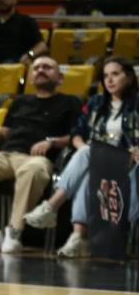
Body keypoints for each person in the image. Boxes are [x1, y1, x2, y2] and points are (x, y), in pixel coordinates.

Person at [23, 57, 139, 258]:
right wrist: (84, 148)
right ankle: (77, 238)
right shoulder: (96, 102)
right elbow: (77, 133)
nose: (109, 80)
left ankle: (51, 207)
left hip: (127, 162)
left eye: (115, 74)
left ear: (128, 78)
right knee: (87, 167)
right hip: (98, 159)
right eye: (105, 76)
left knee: (88, 154)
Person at [0, 56, 79, 253]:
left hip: (38, 158)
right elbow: (5, 131)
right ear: (31, 77)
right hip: (7, 154)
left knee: (33, 170)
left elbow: (76, 136)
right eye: (36, 68)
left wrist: (52, 141)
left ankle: (14, 231)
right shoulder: (20, 101)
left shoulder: (70, 102)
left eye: (47, 67)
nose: (40, 70)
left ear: (60, 78)